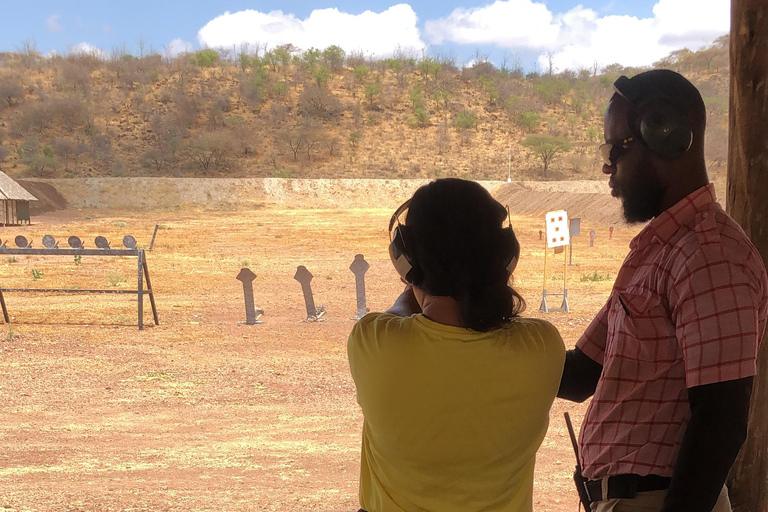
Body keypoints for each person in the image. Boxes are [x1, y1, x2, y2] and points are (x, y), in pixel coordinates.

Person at [558, 69, 768, 512]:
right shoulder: (658, 252)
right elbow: (581, 374)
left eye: (616, 149)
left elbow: (720, 421)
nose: (606, 166)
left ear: (667, 139)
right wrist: (476, 333)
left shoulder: (709, 256)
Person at [347, 178, 565, 512]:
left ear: (405, 260)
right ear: (506, 256)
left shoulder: (373, 342)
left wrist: (416, 285)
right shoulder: (541, 346)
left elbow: (399, 314)